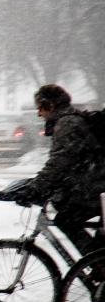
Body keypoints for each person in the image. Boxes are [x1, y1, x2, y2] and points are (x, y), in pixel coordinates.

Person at [25, 84, 105, 259]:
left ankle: (97, 264)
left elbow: (60, 162)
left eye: (40, 108)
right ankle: (97, 263)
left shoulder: (67, 123)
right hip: (96, 187)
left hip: (96, 189)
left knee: (66, 219)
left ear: (50, 105)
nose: (39, 113)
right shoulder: (71, 119)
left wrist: (36, 187)